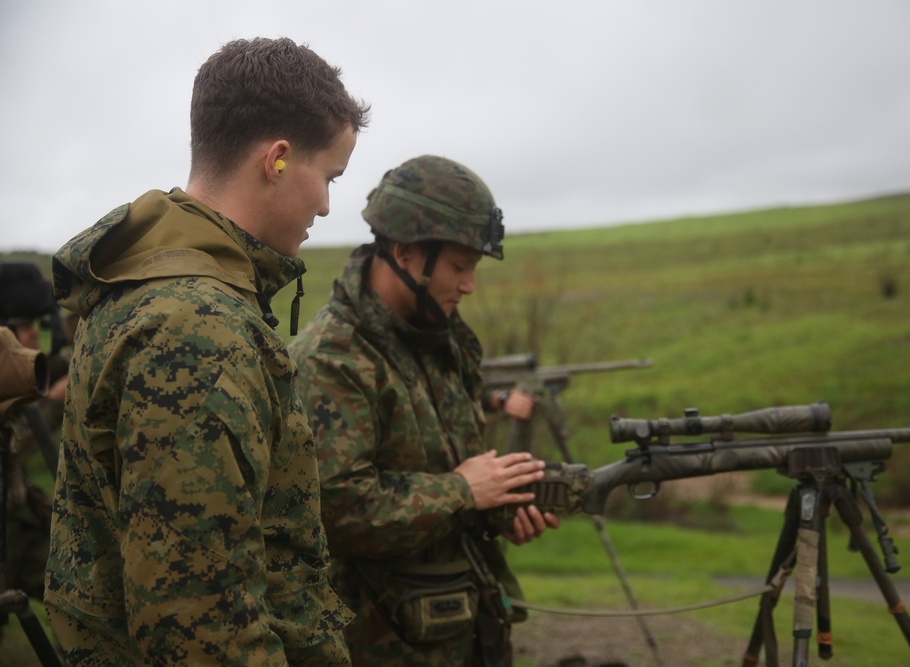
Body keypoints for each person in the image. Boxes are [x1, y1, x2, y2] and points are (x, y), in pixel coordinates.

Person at [45, 37, 368, 666]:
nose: (327, 206)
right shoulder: (196, 326)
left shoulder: (139, 282)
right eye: (328, 176)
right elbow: (201, 627)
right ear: (277, 159)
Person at [289, 155, 559, 666]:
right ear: (407, 253)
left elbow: (454, 471)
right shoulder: (332, 359)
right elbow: (337, 510)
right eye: (459, 267)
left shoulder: (442, 343)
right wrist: (463, 492)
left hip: (465, 628)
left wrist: (499, 506)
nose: (468, 285)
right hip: (377, 643)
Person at [0, 262, 60, 603]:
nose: (35, 333)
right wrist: (51, 403)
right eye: (25, 326)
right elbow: (12, 448)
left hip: (22, 519)